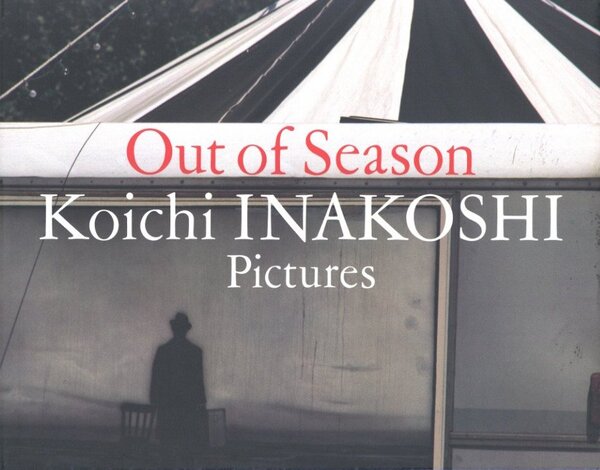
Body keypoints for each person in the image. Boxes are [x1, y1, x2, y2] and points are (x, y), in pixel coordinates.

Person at [150, 312, 208, 456]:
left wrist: (155, 403)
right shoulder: (195, 352)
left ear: (174, 328)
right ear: (185, 330)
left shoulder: (163, 351)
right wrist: (201, 404)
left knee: (168, 449)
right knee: (186, 450)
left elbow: (155, 381)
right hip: (187, 410)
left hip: (168, 409)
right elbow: (198, 383)